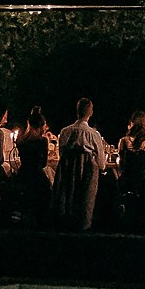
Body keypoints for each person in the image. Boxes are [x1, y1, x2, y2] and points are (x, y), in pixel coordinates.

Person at [53, 97, 105, 229]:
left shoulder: (65, 131)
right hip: (88, 172)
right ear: (91, 112)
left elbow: (61, 154)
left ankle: (65, 219)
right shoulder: (94, 134)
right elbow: (101, 162)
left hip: (68, 171)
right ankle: (85, 222)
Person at [11, 106, 53, 224]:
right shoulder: (42, 141)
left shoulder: (21, 140)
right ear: (40, 126)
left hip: (23, 173)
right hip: (36, 174)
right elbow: (44, 163)